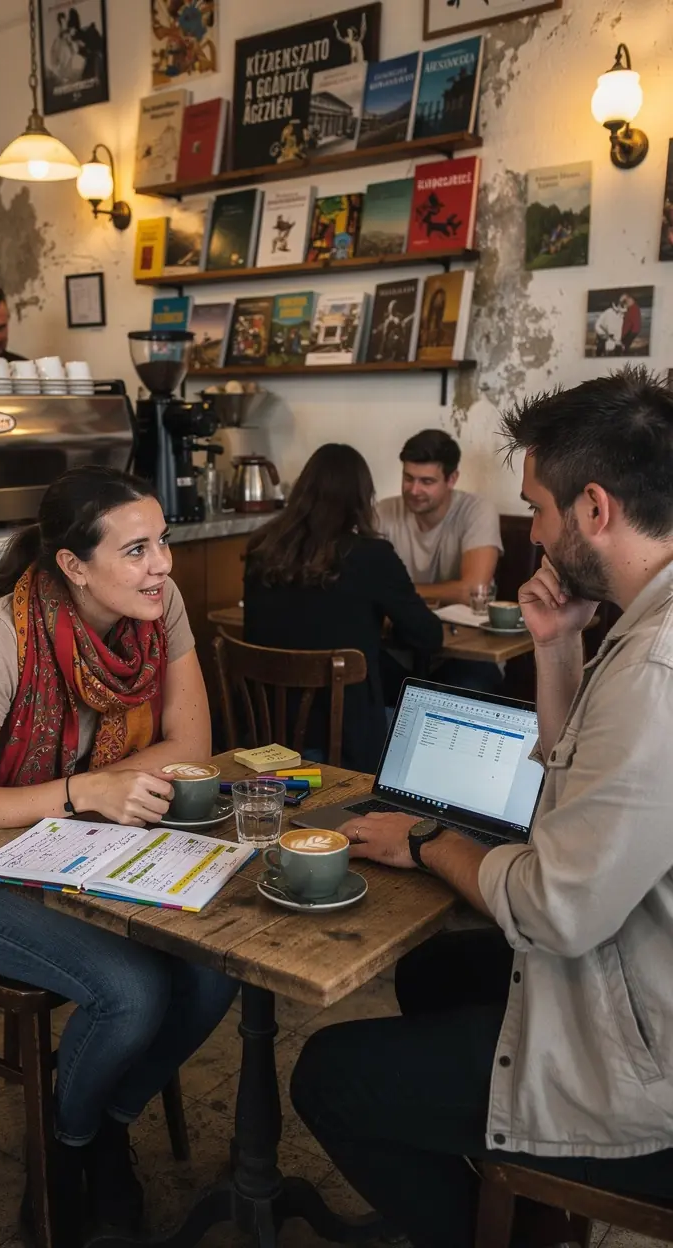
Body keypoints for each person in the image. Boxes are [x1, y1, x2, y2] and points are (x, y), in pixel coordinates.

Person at [290, 368, 673, 1248]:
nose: (531, 531)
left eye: (538, 508)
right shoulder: (642, 623)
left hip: (644, 1059)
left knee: (327, 1074)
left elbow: (554, 907)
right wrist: (558, 647)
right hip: (633, 965)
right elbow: (583, 780)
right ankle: (506, 1192)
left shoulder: (656, 670)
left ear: (596, 511)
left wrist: (429, 840)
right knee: (430, 974)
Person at [0, 465, 237, 1245]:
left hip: (78, 847)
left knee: (215, 973)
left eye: (164, 542)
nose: (163, 566)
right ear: (75, 568)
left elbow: (193, 747)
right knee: (134, 993)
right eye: (138, 549)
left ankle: (102, 1118)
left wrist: (95, 793)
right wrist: (87, 792)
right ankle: (71, 1146)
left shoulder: (159, 608)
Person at [243, 444, 442, 773]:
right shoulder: (372, 556)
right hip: (346, 745)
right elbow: (428, 636)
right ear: (363, 499)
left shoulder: (261, 548)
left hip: (265, 735)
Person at [377, 429, 503, 607]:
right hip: (401, 627)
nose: (414, 490)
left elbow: (473, 591)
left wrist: (395, 591)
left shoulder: (477, 511)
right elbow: (363, 584)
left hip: (464, 631)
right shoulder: (383, 511)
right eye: (408, 478)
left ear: (452, 479)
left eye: (426, 481)